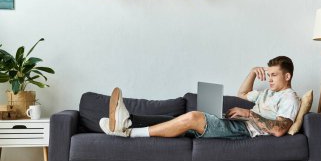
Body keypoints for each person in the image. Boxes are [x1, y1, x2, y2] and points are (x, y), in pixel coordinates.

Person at [99, 56, 300, 139]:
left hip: (245, 130)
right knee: (178, 122)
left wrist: (248, 113)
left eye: (274, 75)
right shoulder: (268, 93)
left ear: (287, 76)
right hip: (240, 122)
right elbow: (242, 94)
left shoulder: (289, 97)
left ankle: (129, 133)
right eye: (269, 74)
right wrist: (253, 73)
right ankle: (128, 121)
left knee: (193, 117)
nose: (270, 79)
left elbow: (280, 129)